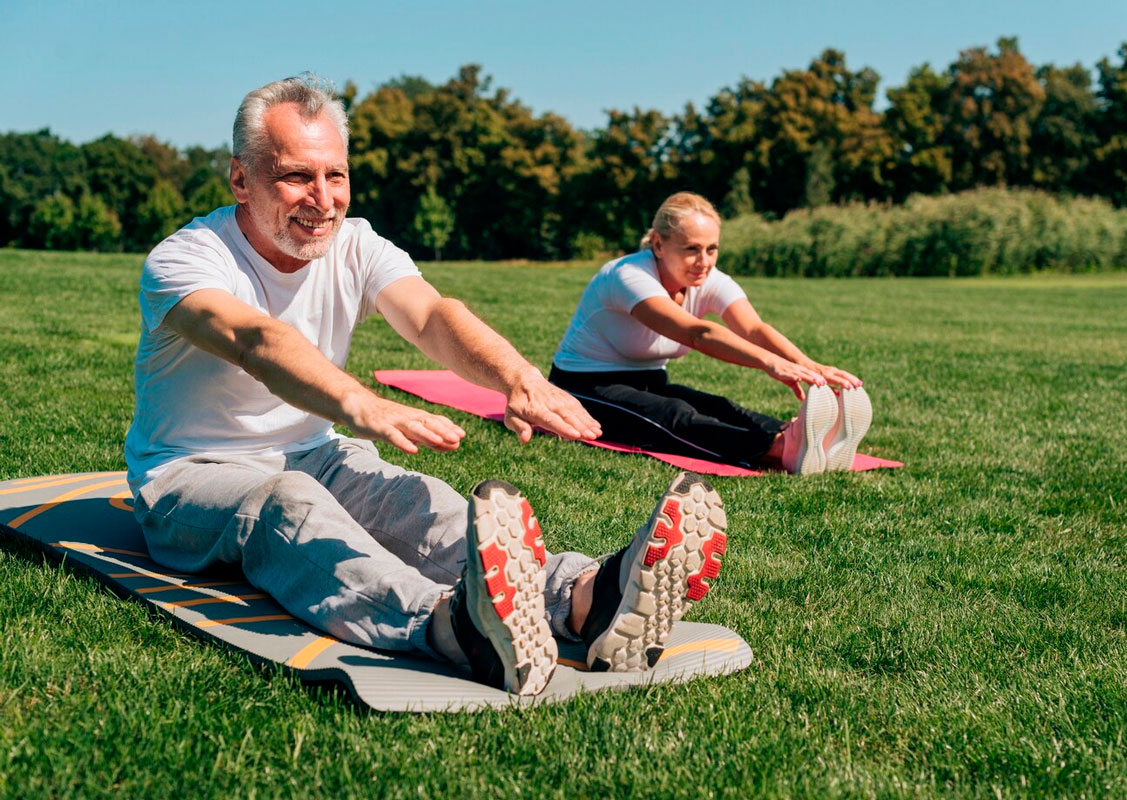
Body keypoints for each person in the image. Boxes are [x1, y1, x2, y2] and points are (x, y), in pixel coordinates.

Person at [123, 75, 728, 697]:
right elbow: (255, 340)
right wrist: (359, 403)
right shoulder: (186, 259)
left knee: (417, 502)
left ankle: (584, 601)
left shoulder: (355, 244)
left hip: (318, 454)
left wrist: (516, 378)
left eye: (336, 175)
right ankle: (452, 625)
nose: (323, 198)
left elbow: (433, 315)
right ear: (240, 179)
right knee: (286, 507)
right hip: (191, 474)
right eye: (296, 176)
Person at [549, 192, 872, 476]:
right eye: (691, 249)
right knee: (672, 415)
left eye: (712, 249)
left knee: (718, 406)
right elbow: (698, 334)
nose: (703, 262)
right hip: (583, 387)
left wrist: (810, 366)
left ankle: (796, 436)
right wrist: (769, 363)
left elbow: (753, 328)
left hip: (648, 381)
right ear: (659, 244)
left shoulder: (708, 278)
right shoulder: (627, 276)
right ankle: (776, 449)